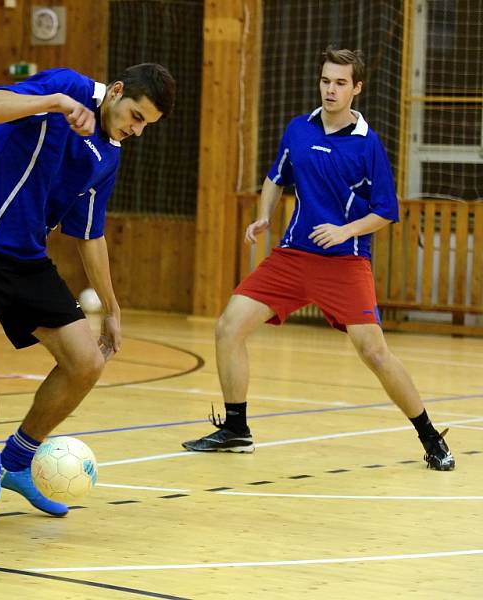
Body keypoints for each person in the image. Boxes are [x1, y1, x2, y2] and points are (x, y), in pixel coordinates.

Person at [182, 47, 454, 471]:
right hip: (292, 257)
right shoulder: (299, 129)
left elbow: (385, 210)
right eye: (326, 80)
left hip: (345, 264)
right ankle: (237, 430)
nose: (331, 89)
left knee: (375, 353)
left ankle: (430, 437)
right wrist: (262, 217)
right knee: (228, 327)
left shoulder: (368, 145)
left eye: (340, 82)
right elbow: (276, 177)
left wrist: (345, 231)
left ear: (356, 89)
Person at [0, 64, 176, 527]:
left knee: (87, 363)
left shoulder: (109, 154)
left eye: (146, 125)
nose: (137, 130)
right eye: (136, 116)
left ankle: (17, 462)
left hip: (25, 258)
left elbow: (89, 234)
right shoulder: (66, 87)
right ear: (117, 91)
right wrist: (56, 102)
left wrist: (112, 307)